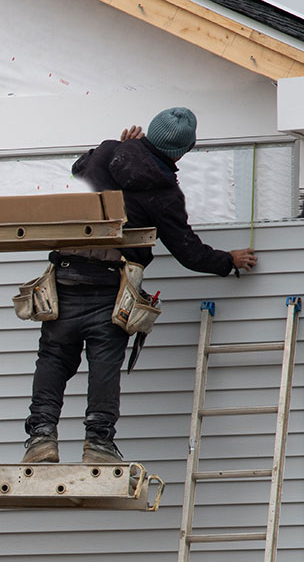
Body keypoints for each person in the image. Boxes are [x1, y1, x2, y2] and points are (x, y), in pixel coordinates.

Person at [23, 106, 257, 465]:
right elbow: (189, 252)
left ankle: (41, 439)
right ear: (182, 152)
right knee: (104, 364)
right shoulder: (164, 192)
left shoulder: (106, 152)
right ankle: (98, 446)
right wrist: (229, 260)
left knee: (54, 357)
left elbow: (78, 169)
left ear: (147, 132)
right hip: (111, 286)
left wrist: (120, 146)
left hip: (65, 278)